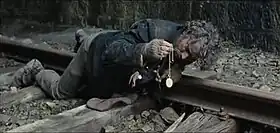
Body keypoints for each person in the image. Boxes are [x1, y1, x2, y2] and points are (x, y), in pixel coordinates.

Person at [9, 19, 219, 100]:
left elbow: (154, 74)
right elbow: (113, 51)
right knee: (62, 92)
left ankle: (81, 36)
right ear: (186, 34)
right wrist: (144, 50)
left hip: (110, 55)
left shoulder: (183, 53)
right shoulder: (153, 30)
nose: (183, 56)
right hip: (95, 52)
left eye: (191, 58)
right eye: (185, 50)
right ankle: (37, 70)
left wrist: (170, 73)